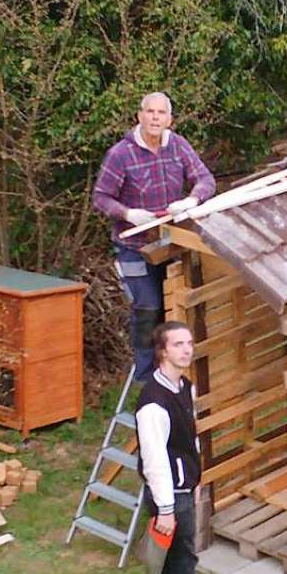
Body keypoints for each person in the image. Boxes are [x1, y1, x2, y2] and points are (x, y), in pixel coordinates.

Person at [92, 92, 216, 381]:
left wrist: (191, 200)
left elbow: (205, 179)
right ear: (140, 116)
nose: (155, 118)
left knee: (174, 303)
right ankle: (147, 378)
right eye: (150, 112)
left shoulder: (178, 146)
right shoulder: (121, 154)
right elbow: (101, 198)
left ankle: (173, 374)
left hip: (169, 244)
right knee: (147, 307)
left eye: (161, 113)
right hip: (134, 246)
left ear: (169, 119)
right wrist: (127, 213)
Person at [135, 321, 232, 574]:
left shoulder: (184, 387)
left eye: (189, 343)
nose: (187, 349)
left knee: (169, 555)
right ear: (162, 351)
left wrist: (196, 476)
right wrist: (165, 508)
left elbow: (188, 437)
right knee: (183, 558)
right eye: (178, 344)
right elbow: (155, 461)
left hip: (183, 487)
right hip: (170, 495)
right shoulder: (153, 402)